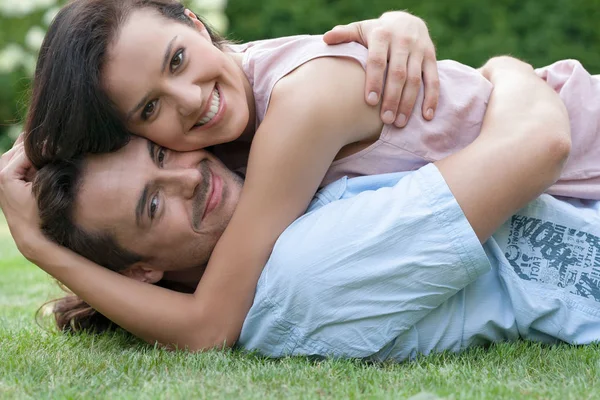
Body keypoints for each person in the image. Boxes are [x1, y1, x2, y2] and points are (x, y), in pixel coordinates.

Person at [17, 0, 600, 354]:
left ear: (195, 23)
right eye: (149, 109)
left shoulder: (300, 106)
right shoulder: (228, 127)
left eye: (176, 60)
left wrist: (40, 247)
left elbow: (209, 325)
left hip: (579, 149)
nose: (191, 98)